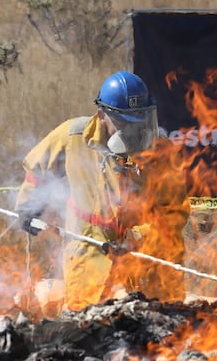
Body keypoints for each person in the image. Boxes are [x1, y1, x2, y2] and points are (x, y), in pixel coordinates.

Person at [15, 70, 190, 311]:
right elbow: (37, 168)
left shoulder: (161, 152)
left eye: (139, 120)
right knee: (87, 321)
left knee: (158, 321)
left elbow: (175, 212)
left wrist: (139, 237)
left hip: (147, 257)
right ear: (102, 116)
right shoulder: (74, 136)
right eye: (124, 123)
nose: (134, 131)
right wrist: (28, 204)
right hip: (89, 252)